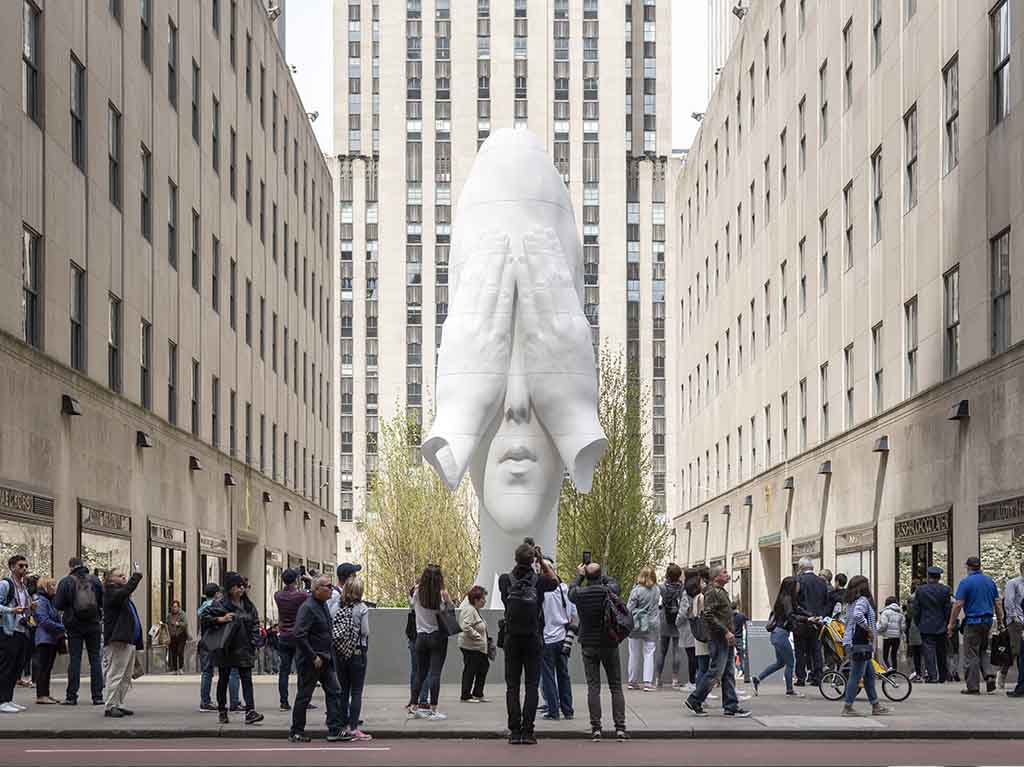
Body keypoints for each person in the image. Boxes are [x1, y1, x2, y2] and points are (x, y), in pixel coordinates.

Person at [499, 543, 558, 744]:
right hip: (533, 638)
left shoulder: (505, 580)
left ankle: (514, 732)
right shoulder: (539, 581)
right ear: (533, 560)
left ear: (515, 559)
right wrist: (541, 559)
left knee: (512, 686)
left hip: (512, 638)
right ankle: (528, 731)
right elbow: (555, 581)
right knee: (532, 686)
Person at [568, 561, 627, 741]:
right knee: (615, 686)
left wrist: (580, 575)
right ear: (601, 576)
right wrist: (601, 574)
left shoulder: (580, 594)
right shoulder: (608, 591)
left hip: (589, 644)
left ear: (587, 576)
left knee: (593, 687)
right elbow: (615, 584)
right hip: (609, 642)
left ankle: (596, 728)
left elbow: (571, 589)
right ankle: (620, 728)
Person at [684, 566, 750, 718]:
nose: (728, 574)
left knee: (727, 672)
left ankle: (731, 706)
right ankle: (695, 699)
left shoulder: (720, 591)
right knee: (715, 672)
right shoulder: (713, 592)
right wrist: (726, 632)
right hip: (719, 637)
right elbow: (708, 615)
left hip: (724, 637)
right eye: (724, 573)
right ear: (715, 577)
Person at [200, 572, 265, 724]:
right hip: (226, 648)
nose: (241, 589)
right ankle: (222, 710)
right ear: (230, 588)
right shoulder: (220, 604)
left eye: (243, 586)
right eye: (238, 586)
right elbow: (204, 617)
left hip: (244, 648)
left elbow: (255, 623)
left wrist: (256, 642)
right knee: (223, 679)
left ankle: (250, 711)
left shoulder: (248, 605)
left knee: (247, 680)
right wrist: (220, 619)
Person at [288, 575, 343, 743]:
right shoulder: (308, 608)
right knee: (305, 695)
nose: (331, 589)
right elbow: (299, 634)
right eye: (328, 586)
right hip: (312, 661)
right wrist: (312, 656)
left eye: (331, 586)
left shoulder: (322, 605)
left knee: (334, 691)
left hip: (325, 659)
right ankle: (296, 731)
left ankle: (334, 730)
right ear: (317, 589)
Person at [948, 556, 1004, 695]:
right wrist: (1001, 621)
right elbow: (997, 603)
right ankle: (989, 675)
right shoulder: (990, 581)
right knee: (983, 650)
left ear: (968, 567)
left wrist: (951, 623)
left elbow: (958, 604)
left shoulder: (966, 582)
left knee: (971, 653)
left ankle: (973, 686)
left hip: (973, 622)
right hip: (987, 621)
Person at [53, 557, 104, 706]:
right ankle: (98, 696)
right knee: (95, 659)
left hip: (74, 625)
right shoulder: (95, 580)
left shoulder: (66, 581)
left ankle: (71, 696)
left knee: (75, 659)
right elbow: (102, 602)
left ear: (71, 567)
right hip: (93, 624)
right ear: (83, 566)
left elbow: (58, 605)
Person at [752, 576, 811, 697]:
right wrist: (807, 619)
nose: (799, 587)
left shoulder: (782, 598)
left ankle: (758, 678)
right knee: (790, 662)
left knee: (780, 663)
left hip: (777, 634)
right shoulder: (787, 599)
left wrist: (809, 615)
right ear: (792, 586)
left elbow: (797, 610)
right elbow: (791, 615)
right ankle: (790, 690)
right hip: (781, 634)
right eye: (797, 585)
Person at [408, 564, 453, 721]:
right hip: (437, 637)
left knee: (420, 673)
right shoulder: (441, 595)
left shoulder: (417, 592)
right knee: (435, 674)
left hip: (421, 637)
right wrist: (448, 600)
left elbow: (412, 607)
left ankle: (414, 706)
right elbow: (450, 612)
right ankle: (433, 710)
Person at [840, 575, 889, 717]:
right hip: (860, 644)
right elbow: (857, 616)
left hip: (854, 643)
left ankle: (876, 705)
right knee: (856, 676)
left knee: (869, 675)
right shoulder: (862, 601)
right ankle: (847, 707)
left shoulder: (852, 601)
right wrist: (868, 629)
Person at [101, 566, 144, 718]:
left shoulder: (121, 594)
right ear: (110, 579)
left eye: (124, 575)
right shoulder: (111, 592)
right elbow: (125, 591)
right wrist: (136, 576)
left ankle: (119, 703)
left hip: (128, 640)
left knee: (125, 676)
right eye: (120, 576)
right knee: (116, 674)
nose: (124, 578)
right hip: (118, 640)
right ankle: (110, 705)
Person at [334, 576, 371, 741]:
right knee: (356, 691)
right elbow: (365, 631)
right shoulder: (362, 608)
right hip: (357, 652)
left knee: (343, 690)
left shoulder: (336, 606)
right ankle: (354, 727)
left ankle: (342, 726)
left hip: (340, 652)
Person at [539, 561, 575, 720]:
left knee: (548, 676)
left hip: (547, 638)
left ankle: (553, 710)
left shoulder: (542, 593)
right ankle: (568, 709)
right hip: (563, 637)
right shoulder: (565, 589)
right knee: (563, 674)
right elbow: (572, 614)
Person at [198, 583, 239, 712]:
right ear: (216, 594)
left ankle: (205, 701)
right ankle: (231, 702)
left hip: (205, 642)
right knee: (226, 671)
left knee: (207, 672)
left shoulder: (203, 606)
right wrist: (222, 619)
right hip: (215, 643)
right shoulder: (215, 606)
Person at [0, 555, 33, 713]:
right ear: (12, 567)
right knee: (6, 666)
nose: (24, 569)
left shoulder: (24, 587)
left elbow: (22, 606)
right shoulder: (6, 584)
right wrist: (12, 610)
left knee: (16, 667)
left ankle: (8, 699)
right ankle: (2, 701)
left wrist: (30, 606)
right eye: (21, 566)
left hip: (21, 630)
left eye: (26, 566)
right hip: (8, 630)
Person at [274, 568, 309, 711]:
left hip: (283, 636)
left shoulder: (278, 595)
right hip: (298, 636)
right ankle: (302, 700)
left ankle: (283, 701)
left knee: (284, 670)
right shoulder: (301, 595)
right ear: (296, 580)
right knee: (302, 670)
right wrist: (308, 581)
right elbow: (310, 595)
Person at [912, 566, 951, 684]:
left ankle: (933, 676)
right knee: (941, 651)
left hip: (926, 624)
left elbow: (916, 609)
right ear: (939, 577)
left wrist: (918, 622)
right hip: (941, 625)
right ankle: (942, 676)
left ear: (929, 577)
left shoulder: (921, 590)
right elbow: (947, 608)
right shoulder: (945, 590)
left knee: (928, 652)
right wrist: (947, 621)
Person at [794, 557, 829, 686]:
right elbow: (826, 601)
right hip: (818, 621)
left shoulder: (799, 580)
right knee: (816, 649)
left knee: (801, 651)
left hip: (803, 621)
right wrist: (821, 616)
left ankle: (801, 677)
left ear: (801, 568)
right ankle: (817, 676)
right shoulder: (821, 582)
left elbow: (795, 601)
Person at [626, 565, 660, 691]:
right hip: (652, 624)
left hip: (636, 624)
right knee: (649, 652)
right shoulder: (657, 590)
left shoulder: (636, 590)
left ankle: (632, 681)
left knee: (634, 653)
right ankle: (647, 682)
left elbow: (629, 608)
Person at [32, 577, 64, 705]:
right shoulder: (41, 601)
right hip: (44, 639)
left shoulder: (49, 601)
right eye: (52, 585)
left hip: (51, 639)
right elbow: (43, 621)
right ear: (45, 587)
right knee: (43, 668)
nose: (55, 588)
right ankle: (41, 695)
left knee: (47, 668)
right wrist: (63, 627)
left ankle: (46, 694)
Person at [458, 585, 491, 703]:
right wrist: (477, 636)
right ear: (476, 599)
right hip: (471, 646)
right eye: (483, 598)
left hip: (478, 647)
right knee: (470, 669)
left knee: (483, 667)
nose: (485, 601)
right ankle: (465, 695)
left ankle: (478, 693)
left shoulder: (475, 610)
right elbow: (465, 626)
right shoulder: (470, 610)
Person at [655, 563, 684, 688]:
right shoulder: (682, 588)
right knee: (676, 650)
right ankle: (675, 679)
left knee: (662, 651)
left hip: (664, 620)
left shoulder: (661, 588)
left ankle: (657, 678)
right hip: (677, 620)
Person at [675, 569, 698, 691]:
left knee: (691, 656)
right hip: (698, 625)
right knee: (698, 656)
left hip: (688, 627)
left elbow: (683, 611)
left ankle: (692, 682)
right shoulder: (699, 591)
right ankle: (697, 681)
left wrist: (677, 622)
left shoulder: (686, 592)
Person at [1004, 561, 1024, 698]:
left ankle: (1021, 686)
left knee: (1021, 654)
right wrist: (1013, 617)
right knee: (1018, 652)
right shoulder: (1014, 583)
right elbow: (1009, 601)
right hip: (1018, 622)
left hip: (1019, 620)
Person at [878, 596, 905, 672]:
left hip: (887, 637)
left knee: (885, 656)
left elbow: (883, 625)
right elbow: (903, 627)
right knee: (894, 655)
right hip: (897, 637)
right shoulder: (900, 612)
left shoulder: (885, 612)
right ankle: (894, 671)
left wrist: (879, 630)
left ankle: (889, 669)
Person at [905, 581, 925, 681]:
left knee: (916, 652)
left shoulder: (911, 598)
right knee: (927, 651)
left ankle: (918, 673)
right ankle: (927, 672)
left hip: (915, 626)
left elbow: (909, 615)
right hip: (927, 625)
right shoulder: (927, 596)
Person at [164, 600, 189, 674]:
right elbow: (166, 623)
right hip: (172, 636)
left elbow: (185, 624)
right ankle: (175, 669)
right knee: (173, 652)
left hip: (181, 635)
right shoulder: (169, 615)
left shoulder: (182, 614)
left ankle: (181, 668)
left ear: (178, 607)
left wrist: (178, 623)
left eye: (175, 607)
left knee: (180, 651)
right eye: (173, 607)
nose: (174, 608)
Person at [733, 601, 751, 684]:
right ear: (737, 607)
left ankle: (738, 669)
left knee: (731, 656)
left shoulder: (728, 615)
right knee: (741, 655)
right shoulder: (741, 616)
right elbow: (748, 622)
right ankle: (743, 670)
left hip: (730, 638)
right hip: (739, 637)